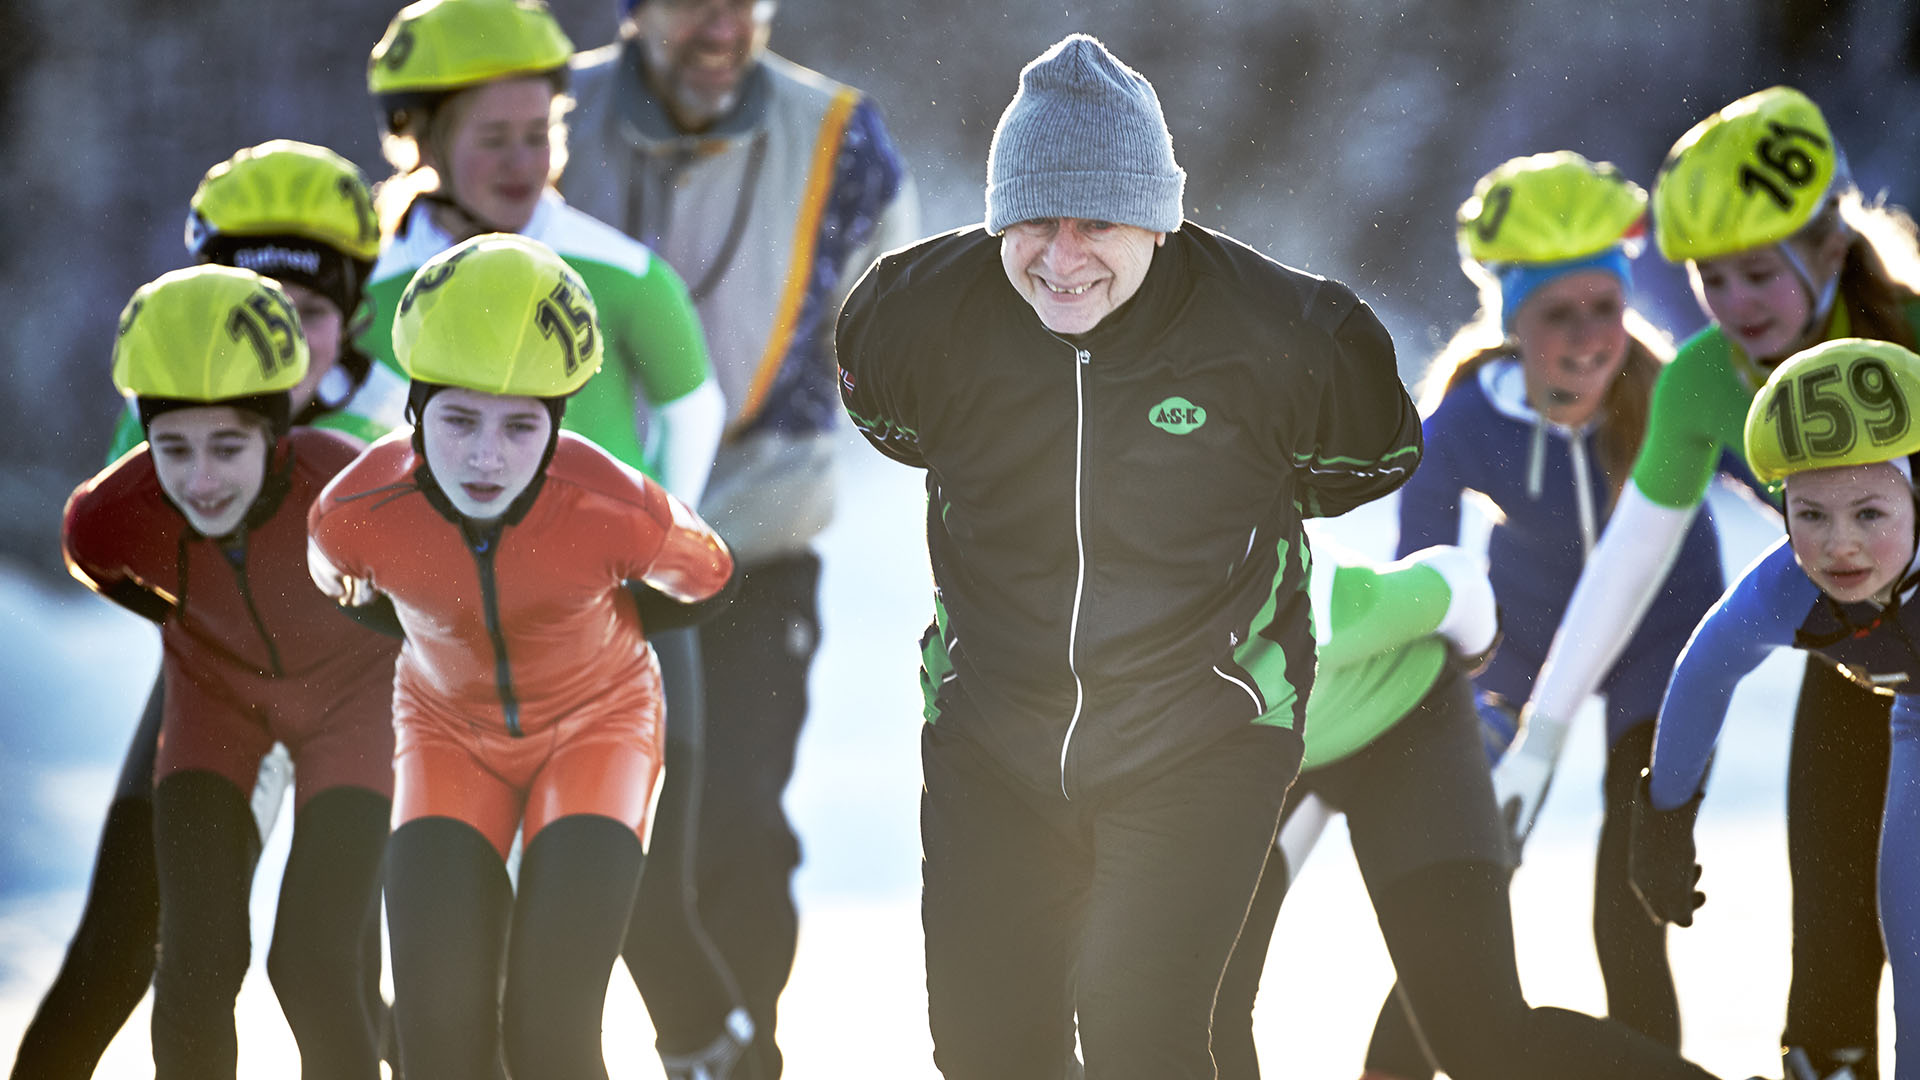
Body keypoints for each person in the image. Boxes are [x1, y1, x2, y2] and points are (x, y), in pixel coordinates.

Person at [835, 34, 1420, 1079]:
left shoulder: (1283, 332)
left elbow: (1370, 459)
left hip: (1203, 731)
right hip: (991, 736)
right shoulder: (915, 319)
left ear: (1158, 216)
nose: (1061, 259)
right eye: (1032, 222)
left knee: (1136, 1028)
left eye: (1096, 221)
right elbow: (892, 423)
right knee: (987, 1050)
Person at [1496, 86, 1920, 1080]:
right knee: (1828, 957)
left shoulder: (1908, 342)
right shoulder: (1702, 381)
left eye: (1759, 273)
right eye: (1709, 278)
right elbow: (1625, 570)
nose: (1737, 306)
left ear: (1825, 247)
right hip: (1861, 667)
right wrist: (1543, 743)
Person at [558, 1, 918, 1072]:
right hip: (553, 551)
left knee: (737, 837)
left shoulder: (841, 140)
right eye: (690, 1)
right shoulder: (541, 113)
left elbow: (897, 338)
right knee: (550, 836)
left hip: (752, 545)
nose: (722, 26)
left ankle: (732, 1056)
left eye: (745, 3)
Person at [10, 140, 404, 1080]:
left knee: (333, 964)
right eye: (242, 301)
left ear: (352, 317)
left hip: (352, 696)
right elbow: (119, 535)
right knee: (125, 948)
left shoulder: (392, 415)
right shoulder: (176, 416)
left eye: (306, 313)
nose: (273, 333)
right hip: (217, 687)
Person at [307, 232, 736, 1080]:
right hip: (446, 737)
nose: (485, 456)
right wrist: (425, 633)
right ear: (415, 413)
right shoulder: (354, 510)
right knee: (437, 1039)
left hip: (597, 732)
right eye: (458, 420)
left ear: (559, 422)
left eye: (519, 427)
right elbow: (339, 586)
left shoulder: (613, 501)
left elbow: (711, 578)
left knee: (550, 1029)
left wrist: (612, 614)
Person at [1386, 150, 1730, 1064]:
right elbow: (1419, 574)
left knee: (1628, 901)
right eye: (1556, 314)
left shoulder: (1670, 395)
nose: (1587, 337)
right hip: (1521, 647)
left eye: (1606, 308)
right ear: (1512, 322)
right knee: (1463, 878)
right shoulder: (1464, 422)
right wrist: (1436, 699)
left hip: (1665, 643)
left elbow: (1793, 480)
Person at [1211, 540, 1744, 1080]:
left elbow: (1461, 588)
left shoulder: (1314, 602)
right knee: (1200, 1008)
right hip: (1259, 760)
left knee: (1482, 1043)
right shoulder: (1135, 661)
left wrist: (1489, 653)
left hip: (1401, 728)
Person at [1632, 338, 1920, 1080]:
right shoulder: (1786, 589)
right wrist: (1662, 818)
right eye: (1809, 513)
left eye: (1869, 511)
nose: (1840, 546)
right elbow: (1702, 675)